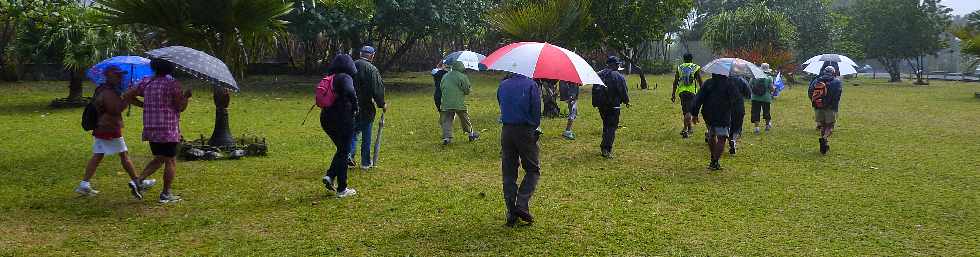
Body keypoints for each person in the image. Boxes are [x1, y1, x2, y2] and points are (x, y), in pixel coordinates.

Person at [75, 66, 155, 197]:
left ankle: (84, 184)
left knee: (99, 155)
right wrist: (129, 97)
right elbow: (115, 109)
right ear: (108, 76)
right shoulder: (108, 92)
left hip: (103, 126)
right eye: (117, 75)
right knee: (124, 155)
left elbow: (126, 98)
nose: (120, 77)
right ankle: (138, 181)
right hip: (108, 127)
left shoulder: (110, 89)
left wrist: (142, 103)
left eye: (121, 75)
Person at [123, 58, 190, 203]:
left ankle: (138, 181)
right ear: (171, 69)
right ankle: (166, 194)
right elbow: (180, 107)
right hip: (168, 128)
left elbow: (127, 95)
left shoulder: (147, 81)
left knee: (160, 158)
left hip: (151, 127)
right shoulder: (172, 84)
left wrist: (144, 105)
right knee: (170, 160)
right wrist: (186, 97)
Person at [497, 73, 542, 227]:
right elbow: (536, 110)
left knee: (509, 172)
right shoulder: (531, 85)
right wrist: (534, 128)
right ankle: (521, 204)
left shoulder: (503, 84)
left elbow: (500, 103)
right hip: (525, 130)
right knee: (532, 169)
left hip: (507, 130)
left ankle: (511, 212)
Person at [320, 54, 360, 198]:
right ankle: (342, 189)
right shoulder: (345, 77)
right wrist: (355, 106)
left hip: (326, 118)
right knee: (344, 151)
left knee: (342, 150)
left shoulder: (330, 77)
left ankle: (330, 175)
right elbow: (350, 91)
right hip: (342, 118)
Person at [691, 73, 740, 170]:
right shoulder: (729, 84)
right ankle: (714, 162)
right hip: (723, 114)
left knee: (712, 134)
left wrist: (695, 113)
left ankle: (713, 157)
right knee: (722, 138)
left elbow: (698, 98)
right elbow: (736, 100)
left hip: (708, 113)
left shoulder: (708, 83)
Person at [349, 46, 386, 170]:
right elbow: (377, 89)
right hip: (366, 107)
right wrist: (382, 104)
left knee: (353, 132)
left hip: (350, 106)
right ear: (372, 55)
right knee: (366, 135)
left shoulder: (351, 66)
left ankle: (349, 155)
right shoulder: (372, 69)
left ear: (360, 54)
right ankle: (365, 163)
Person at [594, 56, 630, 158]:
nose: (618, 65)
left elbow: (594, 90)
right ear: (613, 64)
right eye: (617, 64)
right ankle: (606, 149)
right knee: (611, 127)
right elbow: (623, 90)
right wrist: (626, 101)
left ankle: (604, 145)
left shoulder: (599, 74)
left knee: (606, 125)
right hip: (614, 106)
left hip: (601, 106)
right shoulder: (618, 76)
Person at [439, 61, 479, 145]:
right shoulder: (463, 77)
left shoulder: (445, 76)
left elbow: (441, 87)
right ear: (461, 67)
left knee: (446, 120)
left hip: (446, 103)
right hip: (458, 103)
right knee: (464, 118)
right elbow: (466, 90)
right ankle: (471, 134)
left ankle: (447, 138)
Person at [808, 66, 843, 155]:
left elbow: (810, 92)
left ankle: (825, 144)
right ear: (833, 72)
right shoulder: (837, 82)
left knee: (823, 126)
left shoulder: (816, 80)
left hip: (818, 107)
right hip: (830, 108)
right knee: (830, 127)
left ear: (824, 71)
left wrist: (816, 103)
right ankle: (824, 138)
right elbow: (838, 95)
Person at [671, 53, 702, 138]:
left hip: (682, 92)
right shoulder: (695, 67)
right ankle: (685, 129)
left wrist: (673, 94)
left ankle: (690, 128)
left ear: (683, 59)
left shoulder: (680, 67)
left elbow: (675, 81)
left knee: (685, 111)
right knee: (689, 112)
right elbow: (700, 81)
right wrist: (703, 92)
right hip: (691, 92)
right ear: (691, 59)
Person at [750, 63, 776, 134]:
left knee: (756, 112)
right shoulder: (769, 78)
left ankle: (756, 128)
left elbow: (750, 85)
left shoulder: (754, 77)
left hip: (755, 98)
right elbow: (771, 89)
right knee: (766, 111)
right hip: (766, 98)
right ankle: (767, 126)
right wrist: (774, 89)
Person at [728, 76, 751, 155]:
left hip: (726, 106)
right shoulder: (742, 80)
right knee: (737, 126)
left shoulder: (724, 80)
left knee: (727, 124)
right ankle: (733, 140)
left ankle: (728, 137)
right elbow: (748, 94)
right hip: (739, 106)